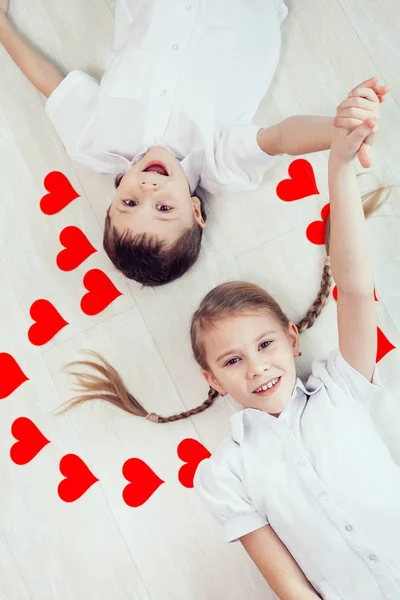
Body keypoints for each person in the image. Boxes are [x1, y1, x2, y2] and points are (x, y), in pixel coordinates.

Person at [56, 83, 397, 598]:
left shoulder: (342, 388)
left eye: (265, 346)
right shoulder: (224, 475)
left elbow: (352, 287)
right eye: (233, 360)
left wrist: (339, 165)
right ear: (211, 378)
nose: (257, 369)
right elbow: (290, 586)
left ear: (292, 340)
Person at [0, 1, 387, 285]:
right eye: (164, 207)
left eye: (130, 202)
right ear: (196, 211)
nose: (148, 188)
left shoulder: (93, 144)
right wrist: (338, 129)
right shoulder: (220, 167)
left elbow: (49, 80)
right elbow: (281, 137)